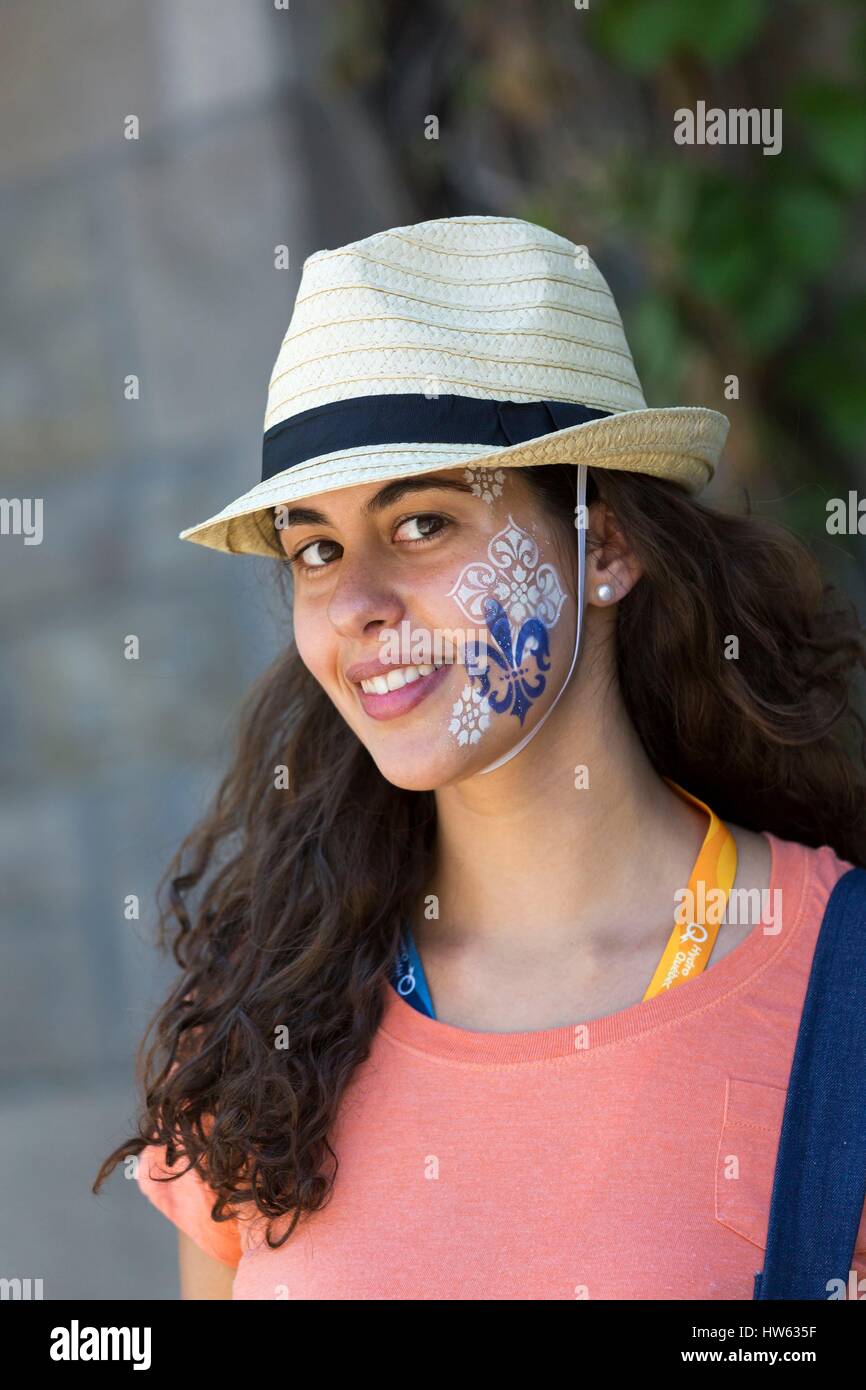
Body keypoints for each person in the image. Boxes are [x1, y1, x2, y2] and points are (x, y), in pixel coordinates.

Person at [94, 215, 866, 1300]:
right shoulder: (259, 1024)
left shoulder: (837, 993)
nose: (356, 604)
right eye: (316, 547)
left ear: (604, 546)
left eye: (420, 523)